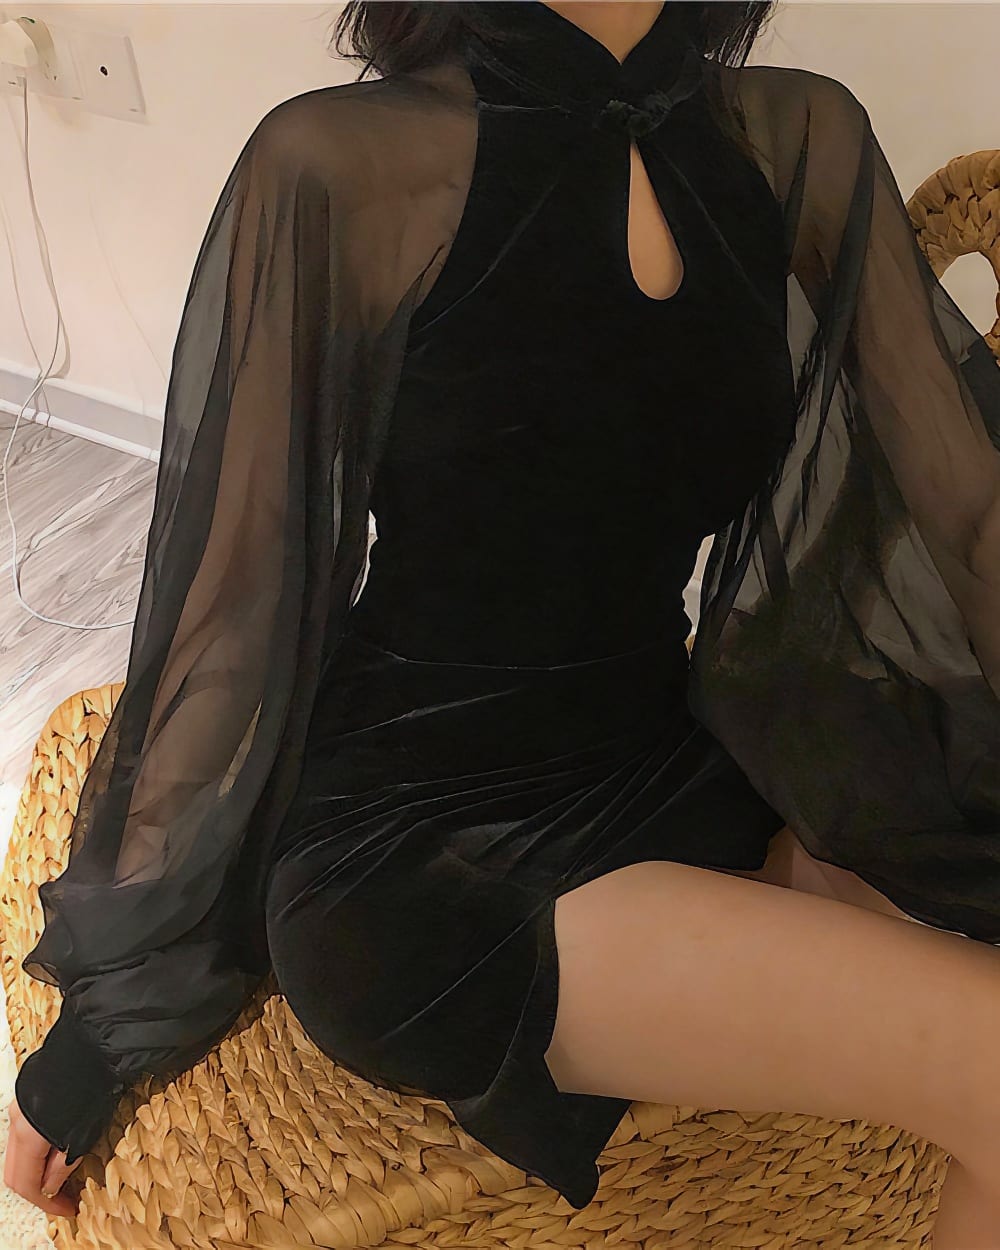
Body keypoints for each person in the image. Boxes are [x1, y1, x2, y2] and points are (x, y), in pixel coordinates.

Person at [5, 2, 1000, 1243]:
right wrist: (100, 1025)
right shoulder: (344, 167)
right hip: (417, 857)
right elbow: (233, 605)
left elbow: (968, 516)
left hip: (675, 761)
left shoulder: (796, 137)